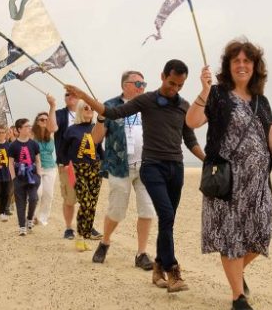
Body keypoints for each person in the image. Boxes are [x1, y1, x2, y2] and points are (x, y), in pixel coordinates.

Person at [67, 59, 205, 293]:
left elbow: (189, 138)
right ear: (163, 76)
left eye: (180, 85)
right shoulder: (147, 101)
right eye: (172, 83)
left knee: (165, 218)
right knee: (161, 214)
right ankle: (172, 270)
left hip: (176, 167)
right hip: (148, 167)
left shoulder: (183, 105)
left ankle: (157, 266)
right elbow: (110, 112)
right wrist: (84, 96)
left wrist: (206, 159)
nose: (175, 89)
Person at [186, 40, 272, 310]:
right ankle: (238, 297)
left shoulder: (261, 101)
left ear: (255, 67)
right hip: (228, 181)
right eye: (236, 61)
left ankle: (236, 273)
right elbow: (192, 122)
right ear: (229, 66)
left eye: (247, 61)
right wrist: (204, 90)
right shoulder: (218, 95)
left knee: (262, 233)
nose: (242, 65)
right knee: (232, 237)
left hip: (258, 182)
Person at [90, 70, 156, 269]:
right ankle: (105, 241)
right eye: (138, 84)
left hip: (146, 166)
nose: (142, 87)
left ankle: (141, 253)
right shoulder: (110, 106)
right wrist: (101, 118)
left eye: (144, 84)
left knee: (147, 210)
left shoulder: (148, 106)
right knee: (117, 212)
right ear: (125, 85)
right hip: (119, 167)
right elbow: (95, 139)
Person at [61, 100, 103, 251]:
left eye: (92, 108)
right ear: (79, 110)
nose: (89, 110)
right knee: (85, 202)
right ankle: (80, 236)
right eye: (86, 108)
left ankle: (85, 235)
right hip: (78, 169)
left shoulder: (96, 128)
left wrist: (105, 165)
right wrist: (66, 164)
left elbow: (100, 150)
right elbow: (63, 150)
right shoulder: (71, 130)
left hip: (95, 169)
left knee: (92, 205)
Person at [53, 90, 81, 239]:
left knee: (87, 198)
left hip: (85, 163)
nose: (70, 97)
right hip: (67, 164)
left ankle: (86, 225)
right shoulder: (60, 114)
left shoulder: (85, 112)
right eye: (67, 94)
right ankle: (69, 228)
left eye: (74, 94)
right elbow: (52, 128)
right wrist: (51, 107)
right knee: (70, 198)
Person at [7, 118, 42, 236]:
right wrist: (13, 178)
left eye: (29, 126)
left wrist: (39, 175)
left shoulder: (34, 144)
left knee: (33, 199)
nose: (29, 128)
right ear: (19, 129)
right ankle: (22, 226)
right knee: (20, 202)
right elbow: (10, 163)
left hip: (32, 176)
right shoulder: (13, 145)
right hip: (19, 177)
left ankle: (30, 218)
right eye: (26, 126)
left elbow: (37, 160)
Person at [33, 98, 59, 225]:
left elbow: (53, 121)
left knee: (48, 195)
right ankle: (31, 215)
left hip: (50, 168)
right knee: (37, 193)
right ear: (37, 122)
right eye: (41, 119)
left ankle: (42, 217)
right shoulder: (32, 135)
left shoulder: (52, 134)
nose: (44, 121)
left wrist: (52, 106)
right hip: (36, 168)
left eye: (46, 119)